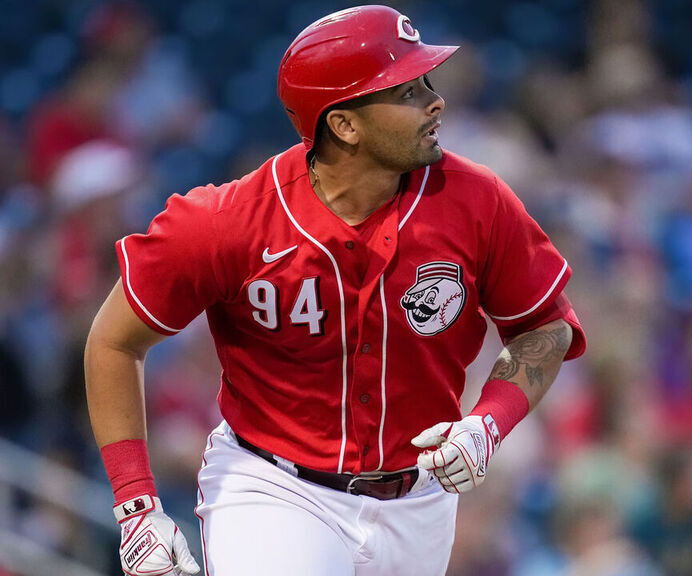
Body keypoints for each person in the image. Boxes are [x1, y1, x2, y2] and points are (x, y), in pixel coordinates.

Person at [84, 5, 586, 575]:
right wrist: (137, 506)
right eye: (405, 91)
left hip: (420, 502)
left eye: (427, 81)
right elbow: (114, 342)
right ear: (344, 125)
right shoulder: (228, 220)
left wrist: (489, 421)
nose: (434, 100)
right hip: (274, 488)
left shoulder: (477, 200)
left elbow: (545, 323)